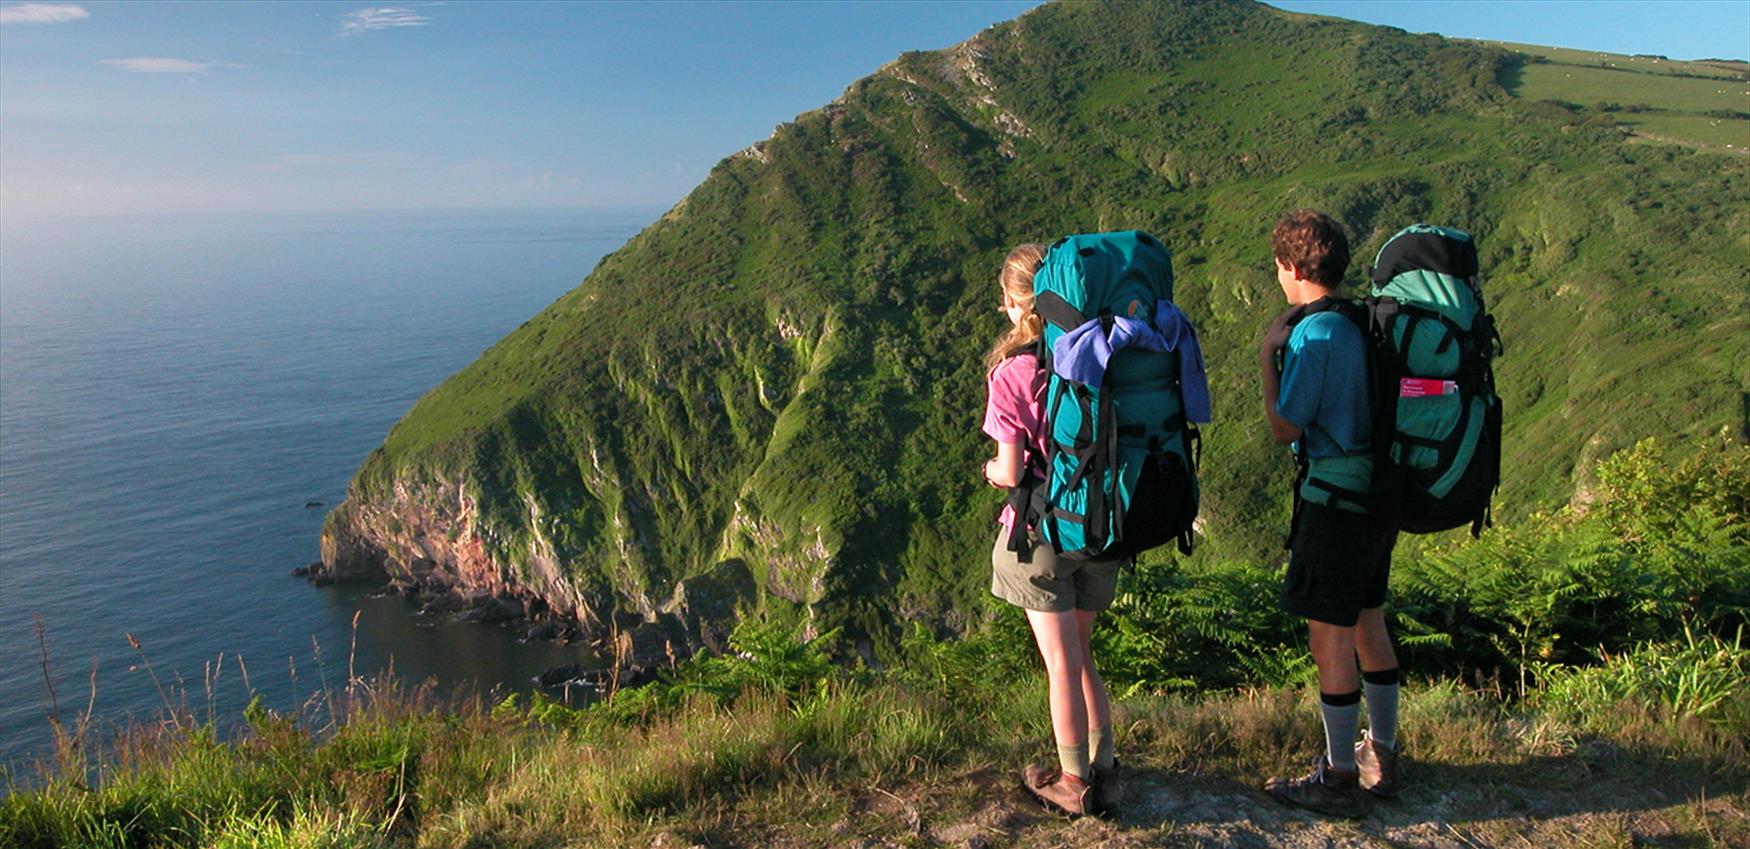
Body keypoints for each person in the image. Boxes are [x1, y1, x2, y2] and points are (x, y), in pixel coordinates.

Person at [1257, 210, 1403, 818]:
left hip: (1334, 501)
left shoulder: (1316, 336)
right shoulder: (1359, 319)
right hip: (1379, 494)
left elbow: (1285, 425)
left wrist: (1267, 359)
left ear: (1290, 268)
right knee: (1370, 619)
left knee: (1329, 639)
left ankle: (1339, 775)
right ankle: (1383, 754)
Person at [982, 243, 1123, 817]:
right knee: (1082, 653)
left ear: (1017, 304)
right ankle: (1105, 763)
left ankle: (1072, 781)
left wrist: (993, 472)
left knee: (1061, 663)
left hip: (1042, 535)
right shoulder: (1101, 355)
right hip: (1101, 527)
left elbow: (1010, 470)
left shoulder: (1013, 373)